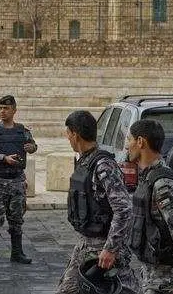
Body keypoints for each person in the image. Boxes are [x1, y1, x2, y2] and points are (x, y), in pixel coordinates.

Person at [57, 110, 139, 294]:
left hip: (104, 246)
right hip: (86, 243)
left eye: (68, 134)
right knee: (67, 289)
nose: (68, 138)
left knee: (124, 289)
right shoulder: (85, 160)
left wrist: (111, 248)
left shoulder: (103, 165)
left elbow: (124, 209)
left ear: (75, 134)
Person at [126, 119, 173, 294]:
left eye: (129, 140)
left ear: (140, 142)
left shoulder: (163, 185)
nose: (126, 146)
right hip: (151, 277)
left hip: (166, 283)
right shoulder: (148, 178)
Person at [0, 95, 37, 267]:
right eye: (0, 108)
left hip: (16, 180)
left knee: (16, 218)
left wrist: (31, 147)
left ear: (14, 110)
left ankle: (17, 253)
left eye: (5, 108)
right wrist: (3, 158)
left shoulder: (22, 130)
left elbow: (33, 146)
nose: (2, 111)